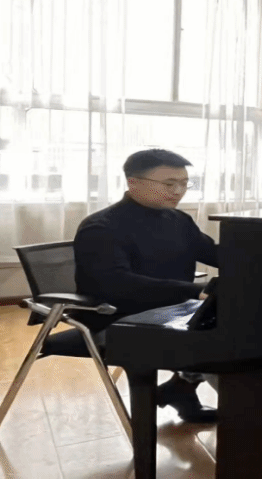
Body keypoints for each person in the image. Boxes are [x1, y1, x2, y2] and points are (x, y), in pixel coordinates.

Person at [74, 149, 218, 424]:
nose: (178, 191)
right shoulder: (101, 227)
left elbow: (214, 254)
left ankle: (183, 388)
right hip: (118, 319)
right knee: (223, 336)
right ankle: (247, 420)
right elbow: (117, 285)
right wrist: (193, 291)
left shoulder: (178, 221)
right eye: (169, 183)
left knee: (239, 320)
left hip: (171, 311)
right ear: (133, 182)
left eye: (184, 183)